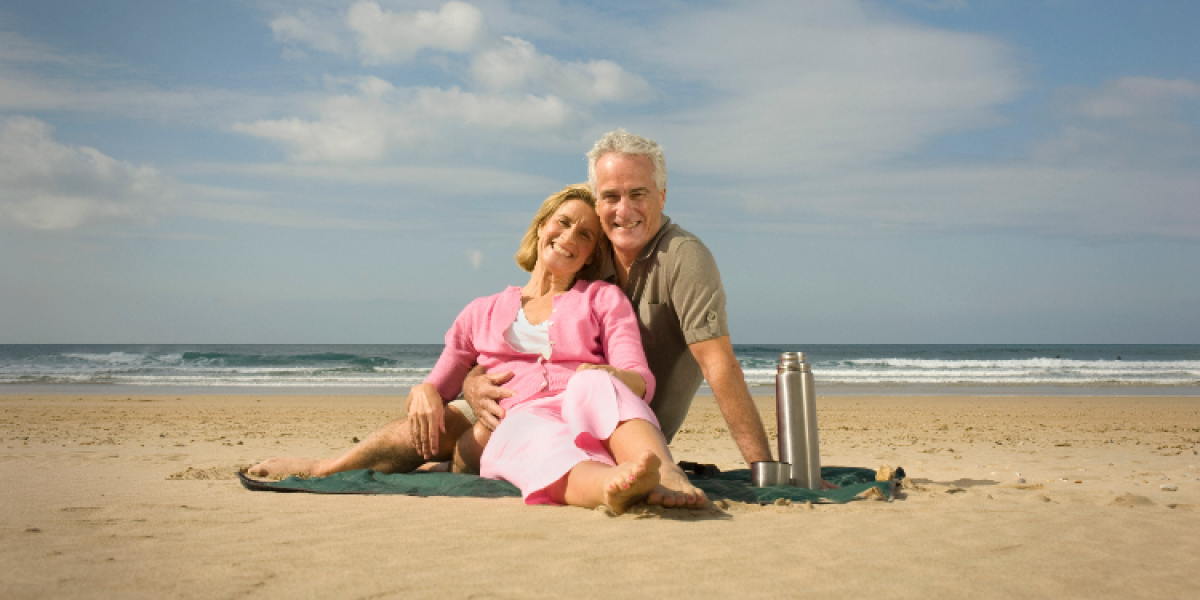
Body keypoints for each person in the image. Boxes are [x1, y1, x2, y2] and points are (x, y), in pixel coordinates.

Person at [250, 184, 707, 514]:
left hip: (585, 408)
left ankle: (665, 474)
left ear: (591, 254)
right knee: (513, 432)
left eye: (585, 234)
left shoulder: (602, 299)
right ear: (541, 227)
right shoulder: (482, 311)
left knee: (595, 389)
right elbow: (439, 383)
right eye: (563, 223)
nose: (570, 237)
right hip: (520, 419)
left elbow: (639, 379)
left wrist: (602, 375)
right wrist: (426, 390)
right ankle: (612, 486)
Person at [464, 130, 784, 496]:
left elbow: (719, 364)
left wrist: (764, 471)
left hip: (629, 433)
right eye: (611, 197)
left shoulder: (683, 257)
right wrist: (472, 383)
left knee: (585, 391)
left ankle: (652, 475)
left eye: (638, 194)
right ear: (597, 201)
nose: (624, 211)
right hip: (546, 414)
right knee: (438, 434)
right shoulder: (590, 259)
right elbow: (524, 338)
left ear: (662, 196)